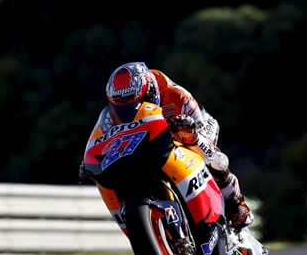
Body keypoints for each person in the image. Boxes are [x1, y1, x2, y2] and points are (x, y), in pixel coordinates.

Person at [80, 61, 253, 230]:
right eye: (122, 107)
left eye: (134, 103)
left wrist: (190, 132)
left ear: (149, 91)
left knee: (215, 159)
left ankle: (236, 203)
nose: (128, 111)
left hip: (194, 125)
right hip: (149, 138)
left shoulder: (175, 95)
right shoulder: (110, 115)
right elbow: (100, 139)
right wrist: (89, 162)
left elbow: (199, 124)